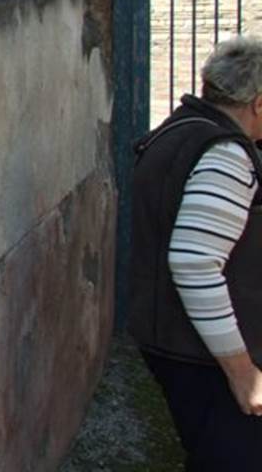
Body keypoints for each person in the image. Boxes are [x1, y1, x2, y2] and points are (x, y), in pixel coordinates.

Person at [129, 35, 262, 470]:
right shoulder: (225, 154)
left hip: (173, 339)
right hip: (203, 352)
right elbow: (194, 261)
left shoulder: (179, 130)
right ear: (258, 103)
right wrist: (243, 373)